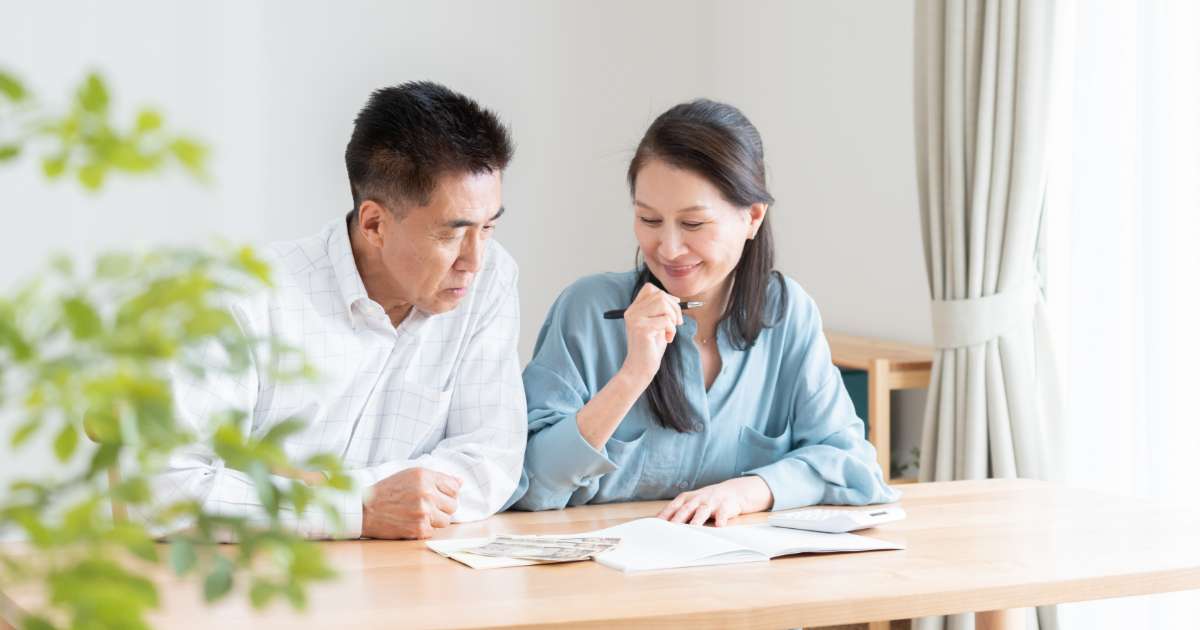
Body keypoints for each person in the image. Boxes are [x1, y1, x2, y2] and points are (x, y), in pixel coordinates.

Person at [156, 81, 526, 540]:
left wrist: (313, 486)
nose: (474, 260)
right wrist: (355, 507)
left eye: (488, 227)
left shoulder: (489, 279)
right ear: (374, 224)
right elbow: (163, 491)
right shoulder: (246, 298)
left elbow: (492, 460)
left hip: (411, 578)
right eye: (452, 234)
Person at [509, 99, 898, 525]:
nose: (669, 248)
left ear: (752, 217)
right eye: (649, 220)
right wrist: (633, 376)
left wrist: (748, 491)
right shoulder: (587, 310)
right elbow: (530, 481)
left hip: (739, 575)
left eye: (693, 224)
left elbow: (851, 464)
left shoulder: (788, 313)